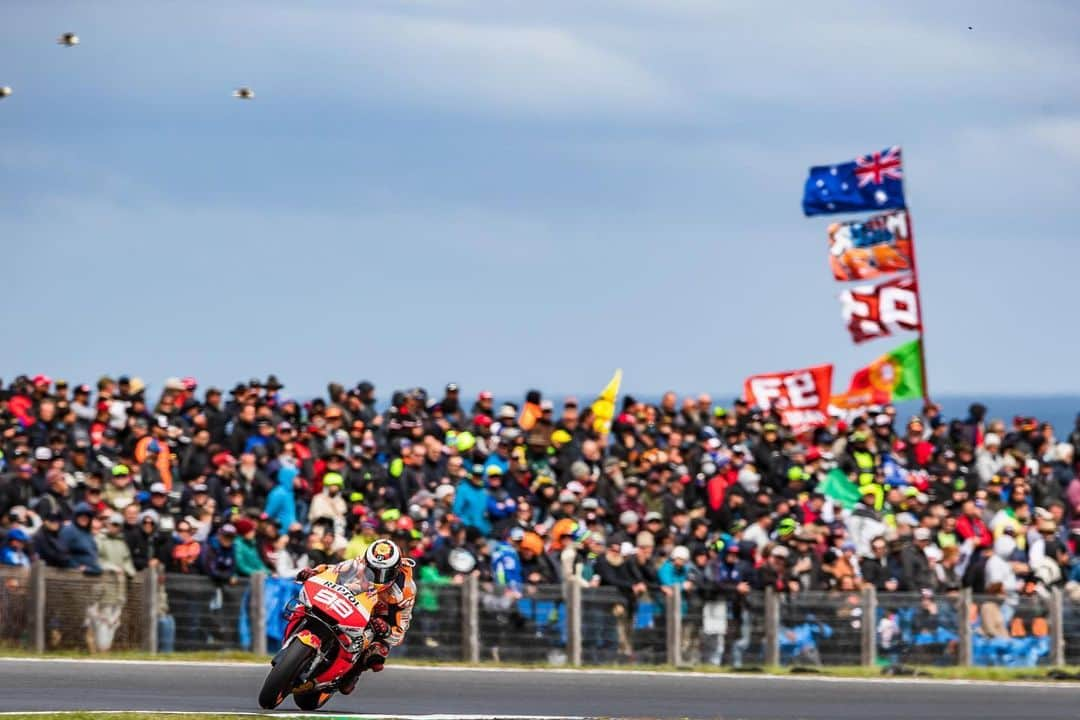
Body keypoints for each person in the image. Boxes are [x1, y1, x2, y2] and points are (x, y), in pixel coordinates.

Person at [295, 537, 415, 694]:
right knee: (305, 605)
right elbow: (333, 570)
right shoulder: (359, 562)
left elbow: (400, 631)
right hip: (354, 601)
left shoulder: (405, 590)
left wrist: (385, 629)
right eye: (372, 569)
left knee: (376, 655)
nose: (377, 575)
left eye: (383, 573)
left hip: (378, 619)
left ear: (396, 569)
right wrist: (314, 572)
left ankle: (354, 671)